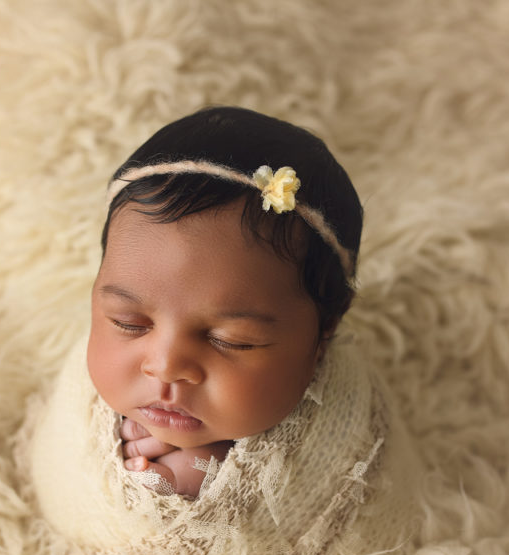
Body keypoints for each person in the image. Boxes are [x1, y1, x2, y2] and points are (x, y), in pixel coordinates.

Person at [86, 106, 363, 497]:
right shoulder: (78, 406)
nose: (166, 366)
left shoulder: (347, 437)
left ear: (324, 333)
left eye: (232, 340)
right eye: (128, 322)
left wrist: (200, 482)